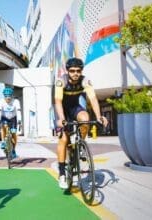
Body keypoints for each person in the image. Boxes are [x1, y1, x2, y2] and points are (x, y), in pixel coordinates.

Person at [54, 57, 108, 189]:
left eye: (78, 70)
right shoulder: (61, 81)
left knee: (85, 118)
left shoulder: (85, 80)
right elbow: (58, 101)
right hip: (61, 109)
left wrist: (99, 116)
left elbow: (93, 98)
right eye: (72, 71)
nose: (75, 73)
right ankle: (62, 174)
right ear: (68, 71)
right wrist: (61, 119)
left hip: (75, 108)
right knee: (64, 139)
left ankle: (80, 146)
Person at [0, 87, 22, 159]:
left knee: (14, 133)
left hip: (13, 118)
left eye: (9, 97)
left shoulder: (16, 101)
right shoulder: (0, 102)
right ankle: (3, 142)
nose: (8, 99)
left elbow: (18, 111)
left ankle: (13, 149)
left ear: (11, 96)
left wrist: (19, 121)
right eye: (6, 97)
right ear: (4, 96)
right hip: (4, 117)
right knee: (3, 126)